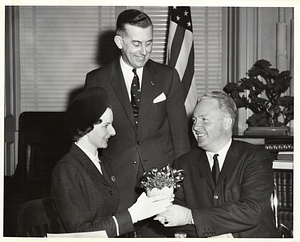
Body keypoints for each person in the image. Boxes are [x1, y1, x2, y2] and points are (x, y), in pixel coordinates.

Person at [84, 9, 191, 237]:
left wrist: (181, 185)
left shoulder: (168, 76)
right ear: (119, 41)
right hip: (115, 182)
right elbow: (89, 141)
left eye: (149, 43)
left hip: (162, 184)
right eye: (136, 44)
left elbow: (180, 136)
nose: (144, 52)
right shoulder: (97, 80)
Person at [155, 91, 280, 238]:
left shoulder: (255, 157)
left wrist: (191, 217)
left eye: (204, 120)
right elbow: (171, 215)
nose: (196, 127)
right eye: (194, 120)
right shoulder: (184, 163)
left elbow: (252, 210)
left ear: (227, 123)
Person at [50, 87, 172, 238]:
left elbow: (109, 215)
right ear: (86, 128)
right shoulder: (67, 170)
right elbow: (81, 234)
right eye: (106, 126)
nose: (113, 132)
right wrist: (133, 215)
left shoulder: (104, 164)